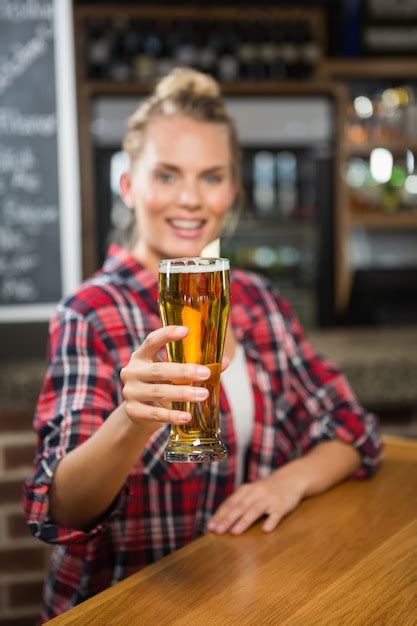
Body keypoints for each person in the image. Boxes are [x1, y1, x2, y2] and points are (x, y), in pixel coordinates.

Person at [24, 68, 382, 621]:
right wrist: (132, 419)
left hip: (251, 596)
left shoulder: (257, 300)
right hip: (131, 607)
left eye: (211, 177)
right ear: (129, 185)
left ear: (232, 190)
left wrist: (290, 482)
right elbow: (62, 508)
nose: (190, 199)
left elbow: (351, 426)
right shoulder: (92, 312)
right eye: (166, 175)